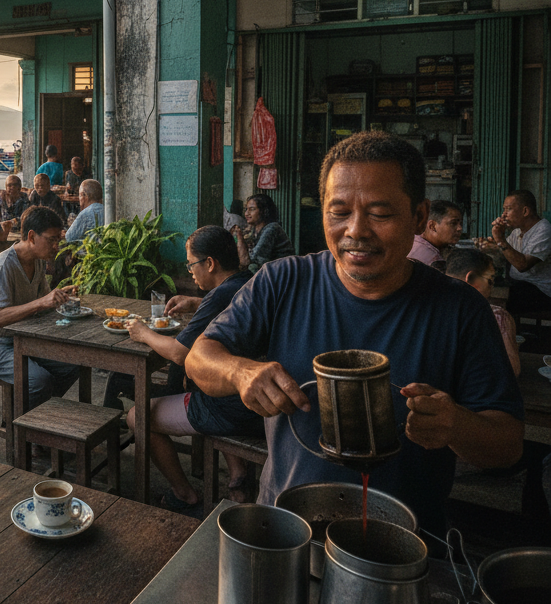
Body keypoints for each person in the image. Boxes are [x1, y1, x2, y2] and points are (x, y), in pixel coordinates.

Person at [186, 131, 524, 537]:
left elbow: (508, 445)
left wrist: (456, 425)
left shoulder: (460, 309)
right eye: (339, 212)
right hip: (288, 530)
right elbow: (199, 357)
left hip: (405, 544)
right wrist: (240, 372)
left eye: (380, 214)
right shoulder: (283, 281)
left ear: (419, 217)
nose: (356, 231)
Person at [124, 226, 260, 511]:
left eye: (191, 264)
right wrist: (197, 303)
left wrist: (142, 333)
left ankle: (184, 494)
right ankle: (238, 476)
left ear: (210, 263)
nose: (190, 272)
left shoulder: (218, 296)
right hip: (255, 401)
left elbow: (179, 354)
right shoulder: (247, 282)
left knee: (137, 416)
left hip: (229, 408)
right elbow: (228, 307)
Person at [0, 206, 80, 404]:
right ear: (31, 236)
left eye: (58, 240)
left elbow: (44, 301)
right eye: (51, 240)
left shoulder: (38, 261)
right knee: (39, 381)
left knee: (74, 364)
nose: (56, 246)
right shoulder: (4, 264)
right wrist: (41, 302)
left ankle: (40, 409)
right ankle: (21, 421)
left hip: (22, 337)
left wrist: (60, 297)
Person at [445, 247, 521, 376]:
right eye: (490, 279)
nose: (492, 286)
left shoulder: (428, 308)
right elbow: (512, 370)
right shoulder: (497, 316)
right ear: (471, 278)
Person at [481, 189, 551, 314]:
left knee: (497, 294)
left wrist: (500, 239)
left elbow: (522, 265)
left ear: (525, 211)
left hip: (540, 291)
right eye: (504, 210)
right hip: (520, 286)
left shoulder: (543, 230)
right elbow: (505, 254)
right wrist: (490, 246)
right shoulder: (517, 231)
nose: (503, 215)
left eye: (508, 209)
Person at [232, 194, 295, 271]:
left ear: (264, 211)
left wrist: (240, 237)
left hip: (282, 272)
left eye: (252, 209)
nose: (246, 213)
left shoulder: (272, 228)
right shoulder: (253, 229)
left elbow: (250, 261)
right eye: (246, 209)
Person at [409, 200, 463, 269]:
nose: (459, 228)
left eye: (461, 223)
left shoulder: (413, 242)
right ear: (432, 226)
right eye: (453, 223)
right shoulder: (434, 261)